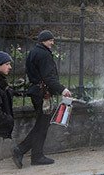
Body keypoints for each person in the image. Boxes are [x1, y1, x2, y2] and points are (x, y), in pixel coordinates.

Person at [12, 30, 71, 167]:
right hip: (42, 93)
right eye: (50, 40)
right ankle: (23, 150)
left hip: (37, 91)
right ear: (43, 40)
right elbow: (48, 77)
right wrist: (62, 89)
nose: (52, 42)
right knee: (42, 125)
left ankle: (36, 155)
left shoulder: (34, 52)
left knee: (42, 124)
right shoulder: (44, 54)